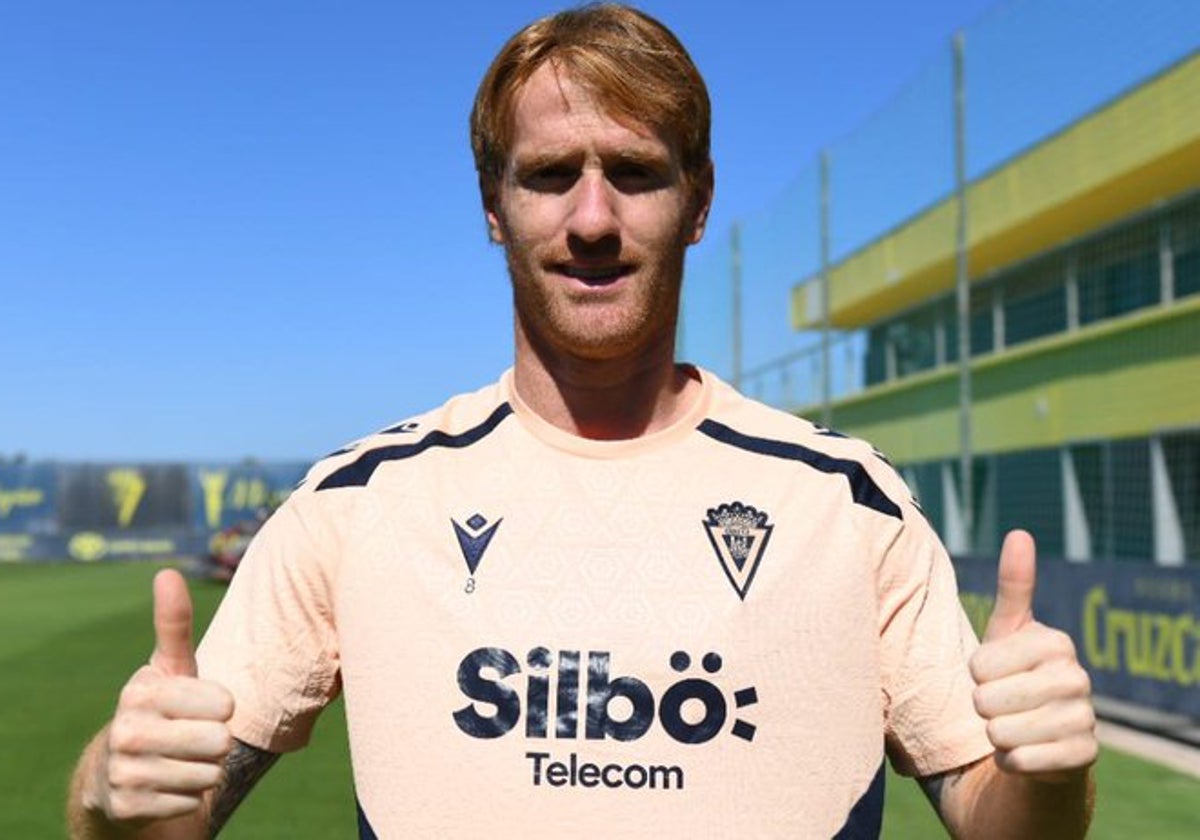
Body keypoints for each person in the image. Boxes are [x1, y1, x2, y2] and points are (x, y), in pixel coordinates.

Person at [67, 4, 1097, 837]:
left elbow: (1001, 822)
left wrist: (1046, 780)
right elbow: (159, 824)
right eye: (551, 174)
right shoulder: (363, 502)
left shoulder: (846, 501)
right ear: (492, 205)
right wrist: (114, 795)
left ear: (697, 203)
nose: (593, 220)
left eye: (636, 172)